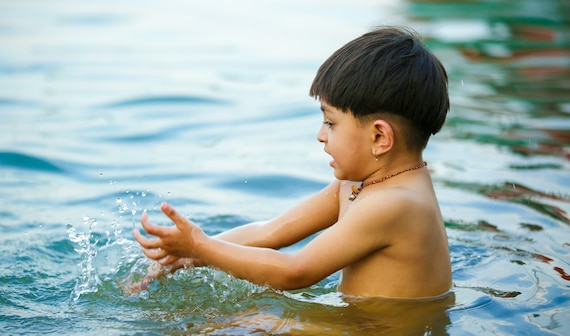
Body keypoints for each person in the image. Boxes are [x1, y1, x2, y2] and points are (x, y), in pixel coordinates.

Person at [133, 26, 452, 299]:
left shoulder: (396, 204)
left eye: (331, 122)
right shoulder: (359, 183)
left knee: (225, 328)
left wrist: (201, 247)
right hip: (358, 328)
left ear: (380, 137)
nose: (320, 135)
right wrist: (187, 254)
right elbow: (273, 232)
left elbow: (296, 272)